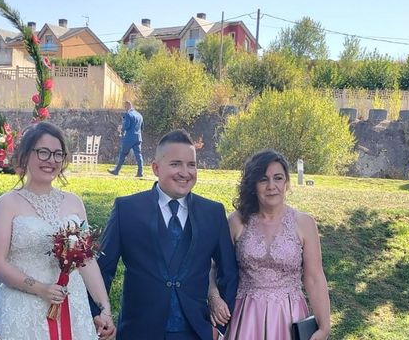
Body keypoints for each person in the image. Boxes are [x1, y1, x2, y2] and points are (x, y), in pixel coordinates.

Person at [94, 129, 239, 339]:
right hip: (139, 330)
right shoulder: (127, 209)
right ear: (155, 168)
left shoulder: (213, 212)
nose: (185, 172)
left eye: (191, 165)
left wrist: (221, 326)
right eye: (175, 164)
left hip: (195, 331)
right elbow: (103, 270)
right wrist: (99, 313)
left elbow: (229, 272)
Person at [0, 122, 115, 340]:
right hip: (24, 305)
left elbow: (87, 261)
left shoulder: (74, 203)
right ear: (26, 155)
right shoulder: (7, 203)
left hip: (72, 305)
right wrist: (39, 288)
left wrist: (104, 308)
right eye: (43, 152)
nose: (51, 160)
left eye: (58, 154)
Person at [208, 150, 331, 340]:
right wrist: (214, 297)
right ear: (253, 185)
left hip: (289, 316)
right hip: (246, 316)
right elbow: (213, 268)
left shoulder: (305, 223)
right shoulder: (236, 221)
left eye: (278, 178)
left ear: (287, 183)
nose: (271, 186)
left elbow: (314, 277)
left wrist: (324, 327)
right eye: (263, 179)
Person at [107, 100, 143, 177]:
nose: (125, 108)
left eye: (125, 106)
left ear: (128, 106)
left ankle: (116, 171)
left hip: (129, 137)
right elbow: (142, 127)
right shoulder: (139, 115)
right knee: (138, 155)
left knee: (123, 153)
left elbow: (127, 126)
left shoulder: (128, 114)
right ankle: (140, 172)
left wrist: (121, 129)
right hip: (138, 137)